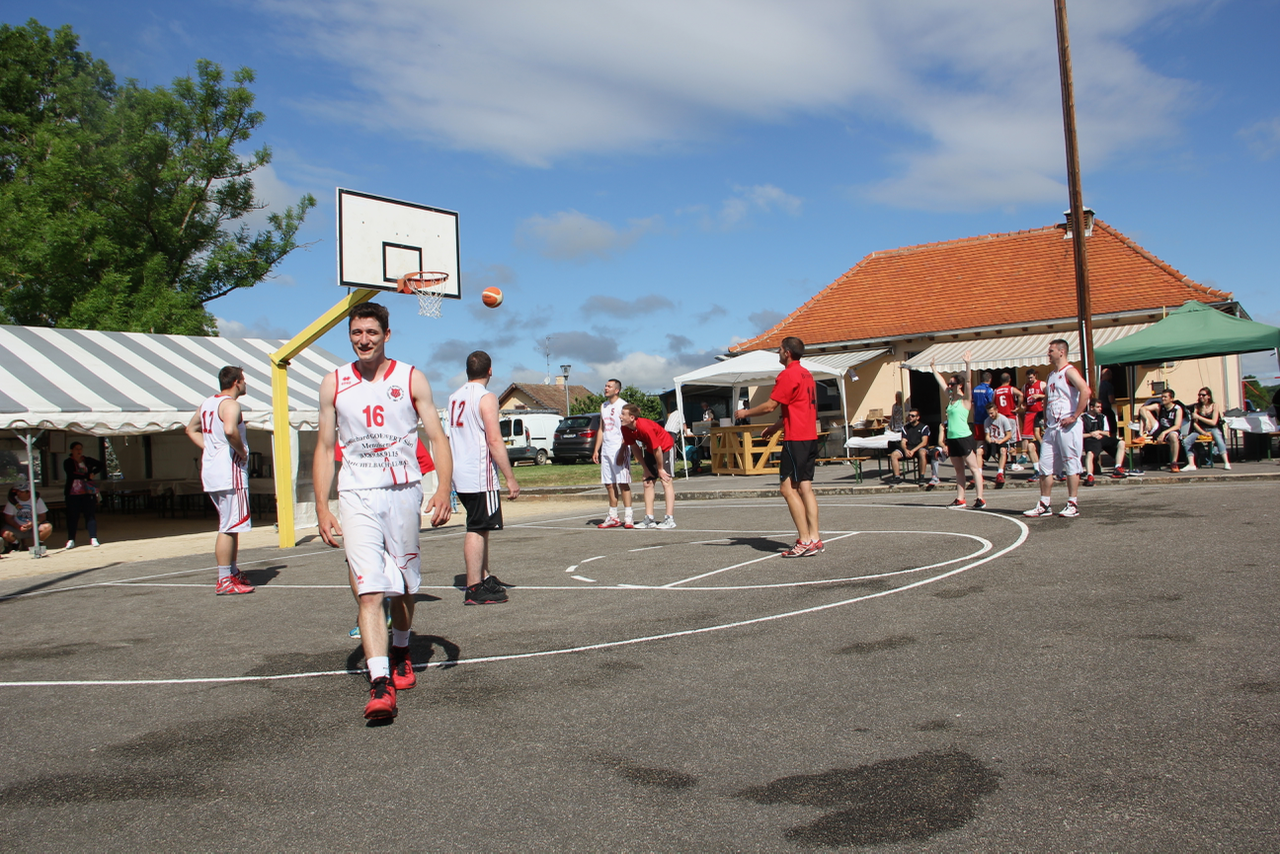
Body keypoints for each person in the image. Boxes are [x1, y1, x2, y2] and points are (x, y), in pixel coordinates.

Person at [313, 302, 453, 722]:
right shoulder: (333, 382)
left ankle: (401, 649)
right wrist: (322, 506)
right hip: (356, 493)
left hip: (402, 492)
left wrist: (443, 488)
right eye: (357, 333)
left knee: (405, 586)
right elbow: (324, 447)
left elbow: (437, 437)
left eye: (371, 332)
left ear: (386, 335)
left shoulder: (411, 377)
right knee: (370, 590)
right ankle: (380, 684)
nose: (364, 340)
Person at [738, 337, 821, 557]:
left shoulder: (788, 374)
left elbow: (770, 406)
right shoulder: (807, 374)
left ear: (787, 352)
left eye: (780, 349)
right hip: (809, 436)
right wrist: (776, 427)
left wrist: (745, 412)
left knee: (787, 488)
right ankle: (814, 538)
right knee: (805, 487)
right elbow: (795, 408)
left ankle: (804, 540)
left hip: (796, 439)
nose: (778, 352)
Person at [448, 350, 520, 605]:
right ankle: (474, 586)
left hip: (460, 472)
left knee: (481, 526)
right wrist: (510, 477)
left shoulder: (454, 397)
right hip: (479, 473)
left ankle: (484, 576)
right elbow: (494, 439)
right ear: (490, 370)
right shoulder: (486, 397)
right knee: (478, 528)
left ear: (467, 371)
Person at [185, 366, 253, 595]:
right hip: (229, 471)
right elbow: (230, 429)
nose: (245, 384)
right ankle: (224, 578)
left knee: (231, 523)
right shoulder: (230, 404)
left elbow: (190, 429)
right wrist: (241, 451)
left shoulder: (207, 403)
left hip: (214, 470)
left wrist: (211, 449)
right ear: (236, 382)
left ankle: (231, 572)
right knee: (228, 525)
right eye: (243, 380)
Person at [1024, 339, 1091, 518]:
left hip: (1068, 425)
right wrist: (1045, 417)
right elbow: (1047, 396)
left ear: (1061, 352)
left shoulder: (1069, 371)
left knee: (1071, 463)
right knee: (1045, 465)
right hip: (1052, 427)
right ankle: (1044, 504)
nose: (1048, 353)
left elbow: (1086, 391)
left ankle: (1072, 503)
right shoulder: (1051, 375)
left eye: (1051, 351)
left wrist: (1074, 416)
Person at [930, 352, 985, 509]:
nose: (949, 386)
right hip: (952, 438)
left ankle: (980, 498)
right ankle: (960, 499)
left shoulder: (965, 400)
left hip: (964, 437)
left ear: (959, 385)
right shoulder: (950, 399)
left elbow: (968, 381)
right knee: (959, 470)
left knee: (974, 468)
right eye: (950, 384)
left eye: (952, 384)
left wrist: (967, 364)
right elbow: (941, 383)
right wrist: (933, 368)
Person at [618, 403, 677, 528]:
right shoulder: (625, 428)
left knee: (666, 480)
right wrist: (645, 468)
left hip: (665, 447)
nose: (620, 416)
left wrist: (660, 469)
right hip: (651, 450)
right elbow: (635, 448)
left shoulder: (645, 427)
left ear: (632, 417)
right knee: (647, 482)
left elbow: (658, 449)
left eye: (623, 414)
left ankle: (669, 519)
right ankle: (649, 519)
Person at [592, 379, 634, 529]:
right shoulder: (603, 406)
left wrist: (623, 449)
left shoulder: (623, 406)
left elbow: (627, 429)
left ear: (616, 390)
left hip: (619, 447)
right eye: (605, 386)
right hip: (606, 449)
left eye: (609, 386)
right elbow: (601, 429)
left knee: (623, 482)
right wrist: (596, 449)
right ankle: (613, 516)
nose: (606, 388)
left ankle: (628, 517)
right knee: (609, 484)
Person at [63, 441, 104, 549]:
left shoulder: (87, 460)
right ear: (72, 450)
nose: (79, 451)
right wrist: (86, 475)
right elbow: (71, 474)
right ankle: (71, 539)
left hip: (87, 491)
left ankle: (93, 537)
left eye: (80, 449)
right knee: (73, 516)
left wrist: (93, 473)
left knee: (90, 514)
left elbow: (101, 464)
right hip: (73, 493)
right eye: (76, 449)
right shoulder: (68, 462)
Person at [1181, 387, 1231, 471]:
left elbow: (1213, 422)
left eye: (1203, 395)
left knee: (1219, 439)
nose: (1201, 397)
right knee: (1186, 441)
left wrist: (1199, 417)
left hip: (1212, 428)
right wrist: (1203, 432)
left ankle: (1226, 462)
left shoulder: (1214, 405)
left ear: (1208, 396)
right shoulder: (1197, 407)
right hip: (1200, 429)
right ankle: (1191, 464)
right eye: (1199, 395)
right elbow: (1195, 424)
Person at [1081, 398, 1127, 483]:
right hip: (1090, 440)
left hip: (1102, 438)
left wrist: (1099, 432)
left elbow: (1107, 433)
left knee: (1121, 443)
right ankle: (1090, 475)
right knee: (1090, 453)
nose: (1100, 409)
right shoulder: (1082, 418)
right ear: (1091, 407)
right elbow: (1080, 435)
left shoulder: (1102, 417)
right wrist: (1091, 434)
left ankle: (1118, 468)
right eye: (1098, 407)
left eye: (1100, 407)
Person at [3, 477, 52, 552]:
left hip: (33, 527)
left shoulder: (37, 500)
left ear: (29, 492)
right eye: (17, 491)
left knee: (47, 527)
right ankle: (15, 544)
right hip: (17, 527)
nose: (18, 493)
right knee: (5, 533)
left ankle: (39, 544)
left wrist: (33, 524)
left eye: (21, 492)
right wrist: (18, 527)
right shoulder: (12, 501)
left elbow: (43, 516)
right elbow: (8, 518)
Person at [1141, 389, 1185, 472]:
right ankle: (1141, 435)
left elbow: (1177, 426)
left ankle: (1174, 462)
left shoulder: (1177, 409)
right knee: (1146, 412)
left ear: (1171, 399)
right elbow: (1142, 409)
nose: (1163, 399)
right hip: (1160, 429)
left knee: (1173, 436)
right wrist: (1147, 420)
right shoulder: (1159, 406)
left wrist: (1164, 433)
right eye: (1162, 397)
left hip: (1171, 431)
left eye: (1165, 397)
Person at [887, 408, 929, 484]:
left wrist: (913, 451)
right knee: (894, 455)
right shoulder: (905, 428)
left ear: (918, 417)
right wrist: (906, 450)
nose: (910, 417)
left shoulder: (924, 427)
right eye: (909, 415)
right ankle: (897, 477)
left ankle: (922, 477)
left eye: (913, 416)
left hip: (919, 447)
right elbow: (903, 441)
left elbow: (924, 442)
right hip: (909, 447)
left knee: (922, 453)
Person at [985, 402, 1016, 487]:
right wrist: (989, 440)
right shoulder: (987, 421)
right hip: (992, 441)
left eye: (992, 413)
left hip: (1002, 440)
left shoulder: (1003, 419)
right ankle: (978, 473)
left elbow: (1009, 435)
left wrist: (1000, 441)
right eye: (989, 413)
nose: (990, 415)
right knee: (979, 451)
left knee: (1003, 451)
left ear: (996, 410)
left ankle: (1000, 473)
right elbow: (987, 435)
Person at [1021, 368, 1045, 474]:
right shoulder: (1025, 387)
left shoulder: (1042, 384)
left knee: (1040, 433)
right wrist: (1022, 405)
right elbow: (1023, 399)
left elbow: (1049, 395)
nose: (1030, 379)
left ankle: (1041, 450)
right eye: (1028, 378)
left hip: (1039, 412)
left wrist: (1039, 396)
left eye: (1031, 377)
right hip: (1029, 412)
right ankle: (1024, 455)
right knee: (1025, 435)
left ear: (1035, 376)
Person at [971, 371, 994, 454]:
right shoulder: (989, 390)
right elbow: (991, 403)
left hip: (977, 418)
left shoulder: (974, 390)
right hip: (987, 418)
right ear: (990, 380)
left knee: (980, 440)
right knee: (991, 438)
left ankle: (978, 457)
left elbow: (972, 403)